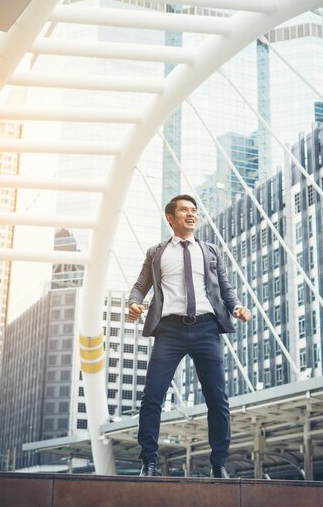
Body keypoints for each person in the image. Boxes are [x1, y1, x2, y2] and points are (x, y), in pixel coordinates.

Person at [128, 194, 251, 478]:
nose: (191, 214)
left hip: (206, 328)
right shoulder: (156, 253)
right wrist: (134, 303)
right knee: (152, 397)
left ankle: (219, 464)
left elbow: (224, 286)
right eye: (184, 210)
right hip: (169, 331)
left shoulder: (210, 250)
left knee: (217, 399)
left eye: (194, 210)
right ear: (170, 218)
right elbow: (139, 286)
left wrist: (237, 306)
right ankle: (148, 461)